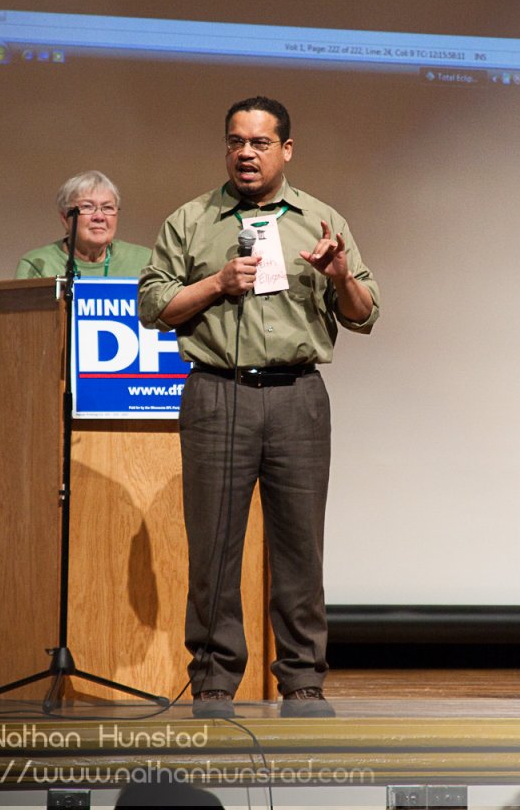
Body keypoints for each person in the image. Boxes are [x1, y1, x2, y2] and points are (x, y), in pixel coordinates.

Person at [138, 96, 380, 719]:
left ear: (286, 150)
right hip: (217, 392)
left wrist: (340, 276)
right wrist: (216, 283)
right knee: (213, 546)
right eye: (235, 142)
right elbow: (152, 306)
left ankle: (303, 680)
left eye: (260, 143)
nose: (245, 153)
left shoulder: (321, 220)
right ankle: (214, 682)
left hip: (298, 397)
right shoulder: (191, 221)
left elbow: (364, 315)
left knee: (301, 547)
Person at [15, 171, 151, 278]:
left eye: (108, 208)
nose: (99, 217)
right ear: (65, 218)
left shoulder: (144, 261)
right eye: (87, 207)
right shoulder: (38, 265)